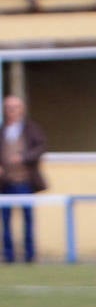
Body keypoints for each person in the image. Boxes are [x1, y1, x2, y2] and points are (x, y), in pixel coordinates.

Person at [0, 95, 48, 264]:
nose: (11, 111)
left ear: (21, 109)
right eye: (8, 107)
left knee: (28, 219)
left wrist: (24, 157)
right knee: (5, 220)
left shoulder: (30, 128)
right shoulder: (2, 130)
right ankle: (8, 255)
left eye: (15, 107)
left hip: (25, 182)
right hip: (5, 183)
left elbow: (41, 146)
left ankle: (30, 255)